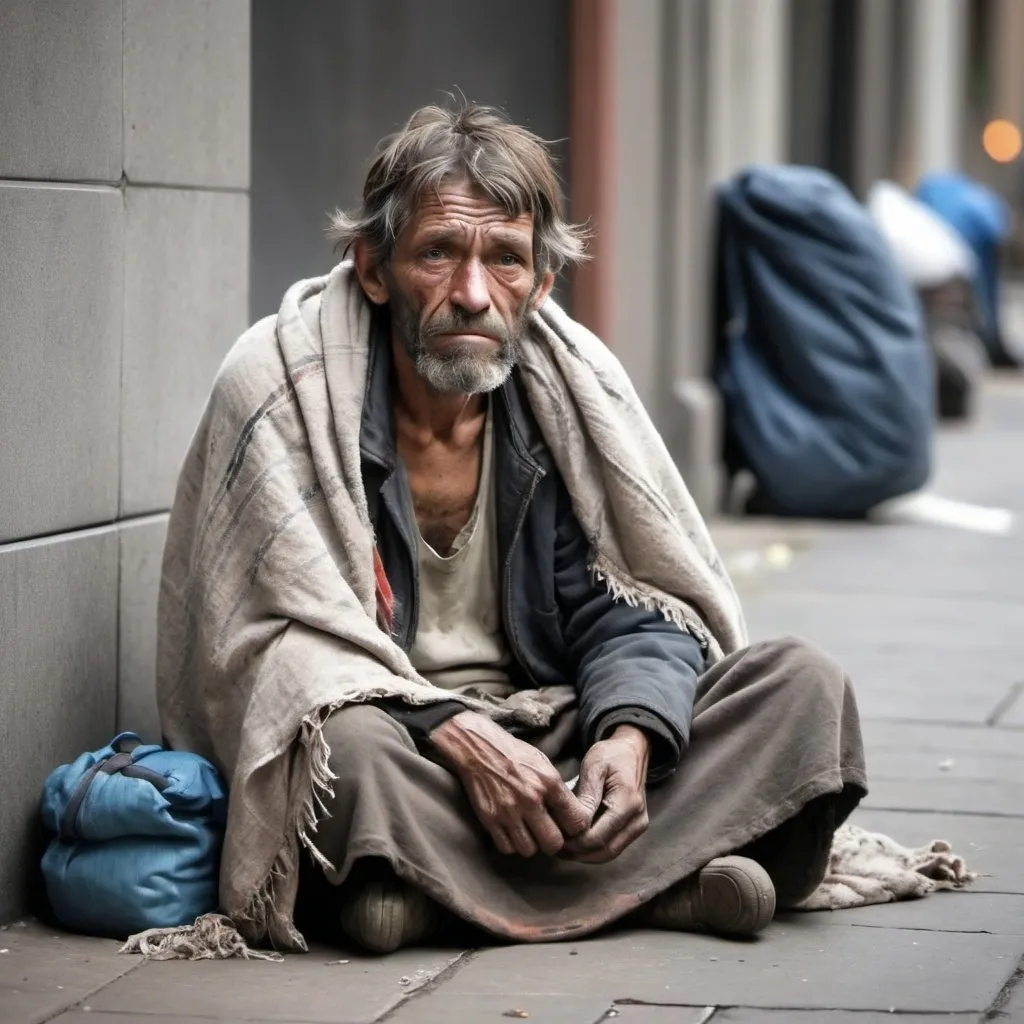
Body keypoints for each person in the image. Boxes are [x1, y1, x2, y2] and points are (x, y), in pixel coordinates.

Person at [157, 101, 867, 957]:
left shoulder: (566, 391)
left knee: (803, 686)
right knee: (340, 753)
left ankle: (427, 899)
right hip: (405, 743)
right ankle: (665, 885)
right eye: (437, 254)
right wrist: (455, 734)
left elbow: (634, 603)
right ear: (373, 268)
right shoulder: (280, 383)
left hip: (550, 732)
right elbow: (267, 646)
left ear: (540, 283)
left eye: (505, 260)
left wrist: (629, 736)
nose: (472, 293)